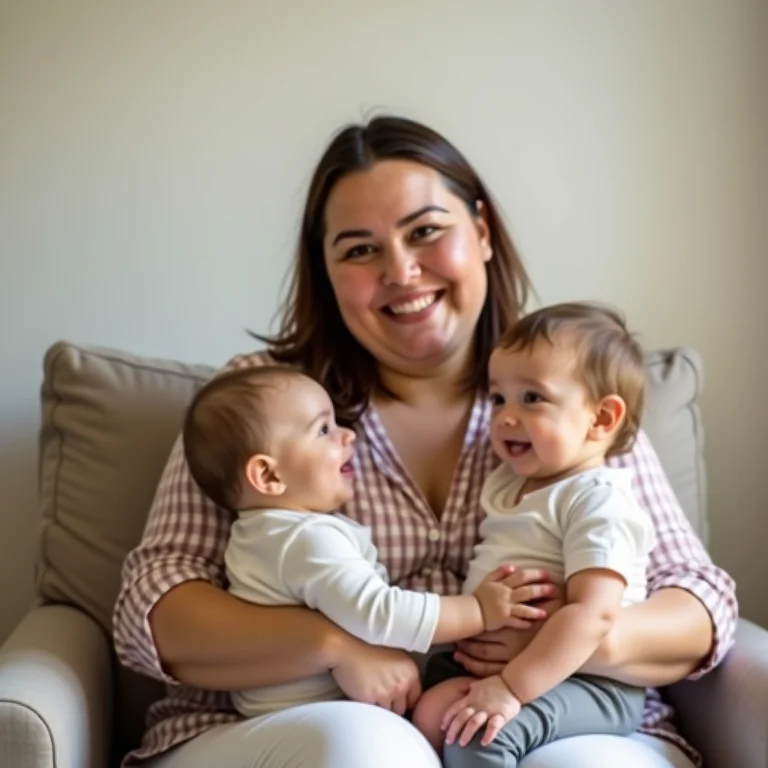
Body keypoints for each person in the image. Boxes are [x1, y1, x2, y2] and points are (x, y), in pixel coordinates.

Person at [113, 115, 737, 768]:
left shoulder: (571, 395)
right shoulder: (263, 400)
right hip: (298, 724)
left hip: (560, 710)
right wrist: (336, 645)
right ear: (325, 272)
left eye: (426, 232)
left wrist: (567, 640)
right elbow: (155, 612)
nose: (402, 271)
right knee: (368, 750)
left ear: (483, 233)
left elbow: (699, 605)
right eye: (360, 249)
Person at [181, 364, 539, 719]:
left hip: (282, 710)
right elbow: (380, 614)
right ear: (269, 474)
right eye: (323, 430)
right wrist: (479, 611)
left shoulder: (259, 534)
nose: (347, 435)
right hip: (312, 713)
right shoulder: (307, 539)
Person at [412, 302, 654, 766]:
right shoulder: (512, 482)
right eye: (498, 398)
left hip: (590, 682)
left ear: (602, 419)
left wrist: (510, 687)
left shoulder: (598, 500)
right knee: (431, 715)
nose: (504, 416)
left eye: (532, 399)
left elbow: (594, 614)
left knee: (477, 735)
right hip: (509, 666)